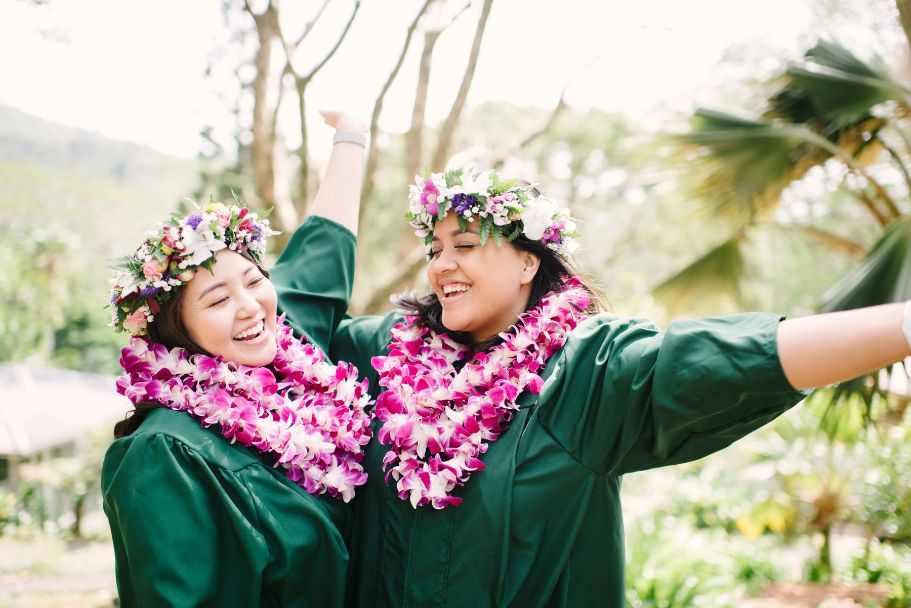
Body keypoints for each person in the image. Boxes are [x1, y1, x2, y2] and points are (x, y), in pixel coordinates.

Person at [273, 167, 911, 607]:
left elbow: (725, 359)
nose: (441, 265)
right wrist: (350, 144)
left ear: (529, 261)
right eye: (434, 248)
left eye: (464, 243)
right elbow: (289, 322)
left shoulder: (586, 376)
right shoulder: (383, 354)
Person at [101, 112, 371, 607]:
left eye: (252, 281)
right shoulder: (164, 453)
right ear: (177, 334)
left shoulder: (288, 359)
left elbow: (322, 256)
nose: (250, 306)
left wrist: (351, 137)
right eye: (218, 300)